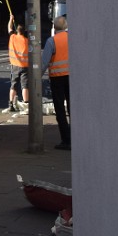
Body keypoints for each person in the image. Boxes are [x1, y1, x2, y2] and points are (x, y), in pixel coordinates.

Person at [42, 15, 70, 150]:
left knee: (60, 110)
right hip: (72, 78)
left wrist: (36, 78)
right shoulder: (72, 38)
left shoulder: (51, 42)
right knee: (73, 109)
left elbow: (44, 62)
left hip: (57, 78)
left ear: (54, 27)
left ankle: (66, 140)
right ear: (65, 26)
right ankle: (76, 137)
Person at [7, 14, 30, 111]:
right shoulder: (26, 41)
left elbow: (9, 28)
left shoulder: (12, 37)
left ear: (17, 30)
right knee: (25, 85)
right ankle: (26, 104)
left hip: (15, 65)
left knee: (13, 85)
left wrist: (11, 19)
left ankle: (11, 104)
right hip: (24, 66)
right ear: (24, 31)